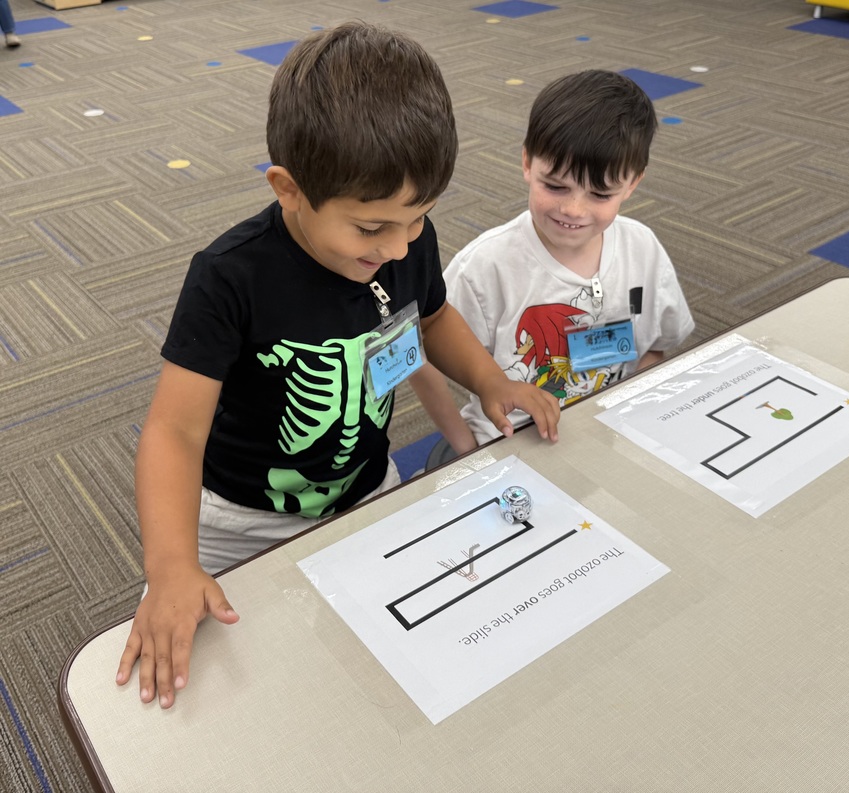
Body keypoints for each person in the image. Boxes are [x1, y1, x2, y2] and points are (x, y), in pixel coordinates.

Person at [115, 21, 559, 710]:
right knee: (187, 676)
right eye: (370, 227)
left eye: (417, 220)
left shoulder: (407, 238)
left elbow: (431, 317)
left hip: (366, 486)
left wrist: (491, 380)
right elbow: (173, 432)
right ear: (289, 189)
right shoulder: (229, 277)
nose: (397, 245)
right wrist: (172, 563)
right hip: (239, 514)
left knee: (391, 665)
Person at [414, 69, 694, 450]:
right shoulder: (484, 268)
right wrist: (465, 448)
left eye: (600, 194)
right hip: (507, 444)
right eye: (555, 186)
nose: (573, 209)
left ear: (633, 184)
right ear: (528, 163)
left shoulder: (642, 250)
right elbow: (422, 356)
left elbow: (657, 346)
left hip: (607, 438)